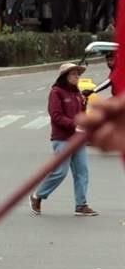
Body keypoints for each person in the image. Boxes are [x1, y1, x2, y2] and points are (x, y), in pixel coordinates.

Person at [29, 63, 97, 216]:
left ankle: (81, 205)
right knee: (60, 172)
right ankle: (37, 196)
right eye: (74, 74)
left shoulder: (77, 94)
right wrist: (74, 125)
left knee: (82, 171)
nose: (77, 77)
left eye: (78, 74)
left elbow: (81, 114)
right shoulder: (56, 93)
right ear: (65, 77)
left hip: (78, 139)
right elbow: (56, 116)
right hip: (62, 139)